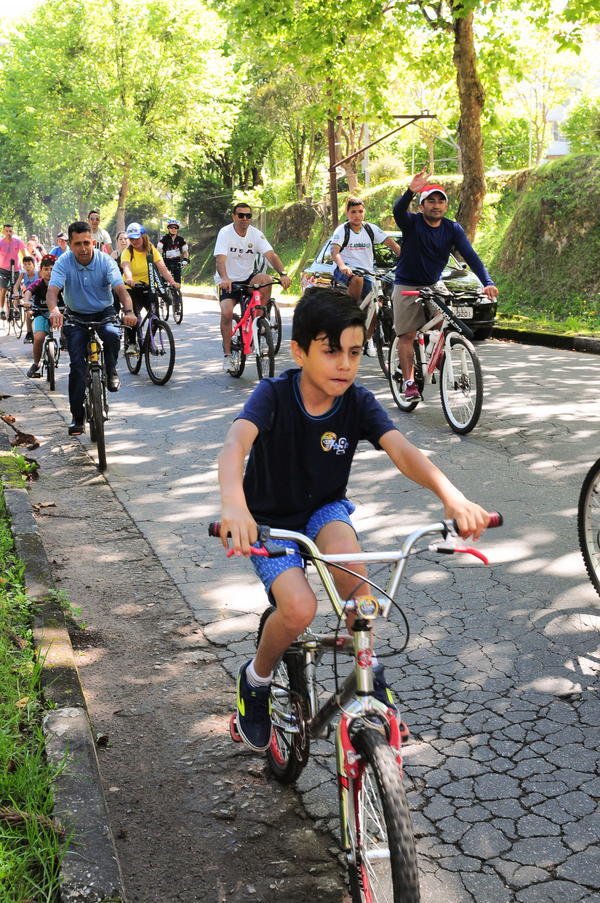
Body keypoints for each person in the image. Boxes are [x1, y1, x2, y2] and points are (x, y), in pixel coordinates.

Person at [217, 286, 490, 752]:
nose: (345, 364)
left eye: (355, 352)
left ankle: (372, 677)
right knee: (299, 610)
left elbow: (401, 449)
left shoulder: (358, 401)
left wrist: (452, 496)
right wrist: (234, 507)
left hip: (324, 509)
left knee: (357, 583)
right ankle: (257, 680)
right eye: (331, 352)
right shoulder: (274, 395)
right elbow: (234, 446)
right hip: (269, 521)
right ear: (299, 350)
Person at [392, 170, 499, 402]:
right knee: (407, 334)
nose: (436, 205)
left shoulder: (452, 229)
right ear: (421, 206)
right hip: (406, 284)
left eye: (441, 201)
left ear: (446, 207)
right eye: (431, 200)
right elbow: (398, 211)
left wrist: (487, 282)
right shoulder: (412, 223)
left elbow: (471, 257)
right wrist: (411, 190)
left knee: (443, 327)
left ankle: (434, 356)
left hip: (433, 284)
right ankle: (409, 381)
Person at [46, 221, 137, 436]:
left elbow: (120, 289)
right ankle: (78, 418)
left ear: (93, 242)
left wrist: (129, 311)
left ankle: (111, 369)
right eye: (77, 244)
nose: (83, 248)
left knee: (113, 335)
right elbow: (52, 291)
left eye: (86, 242)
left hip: (103, 311)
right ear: (70, 244)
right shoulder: (63, 262)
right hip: (75, 315)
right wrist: (54, 311)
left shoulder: (105, 261)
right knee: (77, 367)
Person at [214, 202, 291, 373]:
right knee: (226, 312)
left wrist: (283, 273)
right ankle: (227, 355)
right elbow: (220, 259)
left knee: (266, 279)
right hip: (229, 280)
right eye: (240, 215)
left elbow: (271, 255)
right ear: (234, 216)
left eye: (248, 216)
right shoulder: (225, 233)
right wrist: (225, 278)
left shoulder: (256, 235)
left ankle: (258, 321)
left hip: (248, 277)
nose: (244, 219)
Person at [331, 196, 401, 356]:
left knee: (376, 305)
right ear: (347, 213)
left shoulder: (370, 229)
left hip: (368, 271)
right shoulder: (342, 230)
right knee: (357, 279)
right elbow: (334, 252)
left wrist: (406, 259)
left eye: (360, 211)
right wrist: (342, 266)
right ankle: (352, 311)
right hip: (345, 270)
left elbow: (392, 245)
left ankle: (367, 339)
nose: (357, 215)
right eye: (353, 212)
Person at [120, 222, 180, 354]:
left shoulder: (151, 249)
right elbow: (126, 267)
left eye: (137, 237)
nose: (134, 241)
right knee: (133, 315)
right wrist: (129, 279)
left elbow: (162, 267)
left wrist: (172, 281)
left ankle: (148, 342)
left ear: (144, 236)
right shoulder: (127, 252)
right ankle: (131, 343)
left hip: (150, 285)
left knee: (155, 316)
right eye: (131, 238)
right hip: (132, 287)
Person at [22, 254, 63, 378]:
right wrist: (26, 302)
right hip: (40, 313)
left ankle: (64, 340)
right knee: (39, 337)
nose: (49, 272)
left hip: (59, 312)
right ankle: (36, 363)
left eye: (52, 269)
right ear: (40, 271)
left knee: (70, 328)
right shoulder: (37, 284)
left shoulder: (61, 283)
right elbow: (28, 292)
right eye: (46, 269)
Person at [0, 224, 26, 320]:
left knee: (16, 290)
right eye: (6, 231)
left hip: (15, 269)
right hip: (3, 269)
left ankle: (16, 310)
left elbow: (24, 255)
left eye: (10, 231)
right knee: (3, 288)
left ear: (13, 232)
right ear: (3, 232)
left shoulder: (18, 242)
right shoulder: (1, 242)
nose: (8, 233)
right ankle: (2, 309)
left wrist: (26, 265)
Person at [15, 255, 39, 343]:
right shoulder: (23, 274)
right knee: (28, 313)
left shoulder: (38, 273)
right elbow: (16, 286)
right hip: (28, 298)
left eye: (29, 264)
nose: (27, 266)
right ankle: (29, 333)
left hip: (39, 296)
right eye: (25, 264)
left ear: (34, 265)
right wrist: (16, 292)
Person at [157, 219, 189, 284]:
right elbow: (158, 250)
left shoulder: (181, 239)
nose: (173, 229)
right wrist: (159, 261)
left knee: (177, 283)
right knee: (164, 282)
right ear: (168, 229)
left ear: (177, 229)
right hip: (166, 262)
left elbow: (185, 252)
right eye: (171, 227)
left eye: (175, 227)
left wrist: (185, 259)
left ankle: (177, 292)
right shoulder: (164, 238)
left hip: (177, 262)